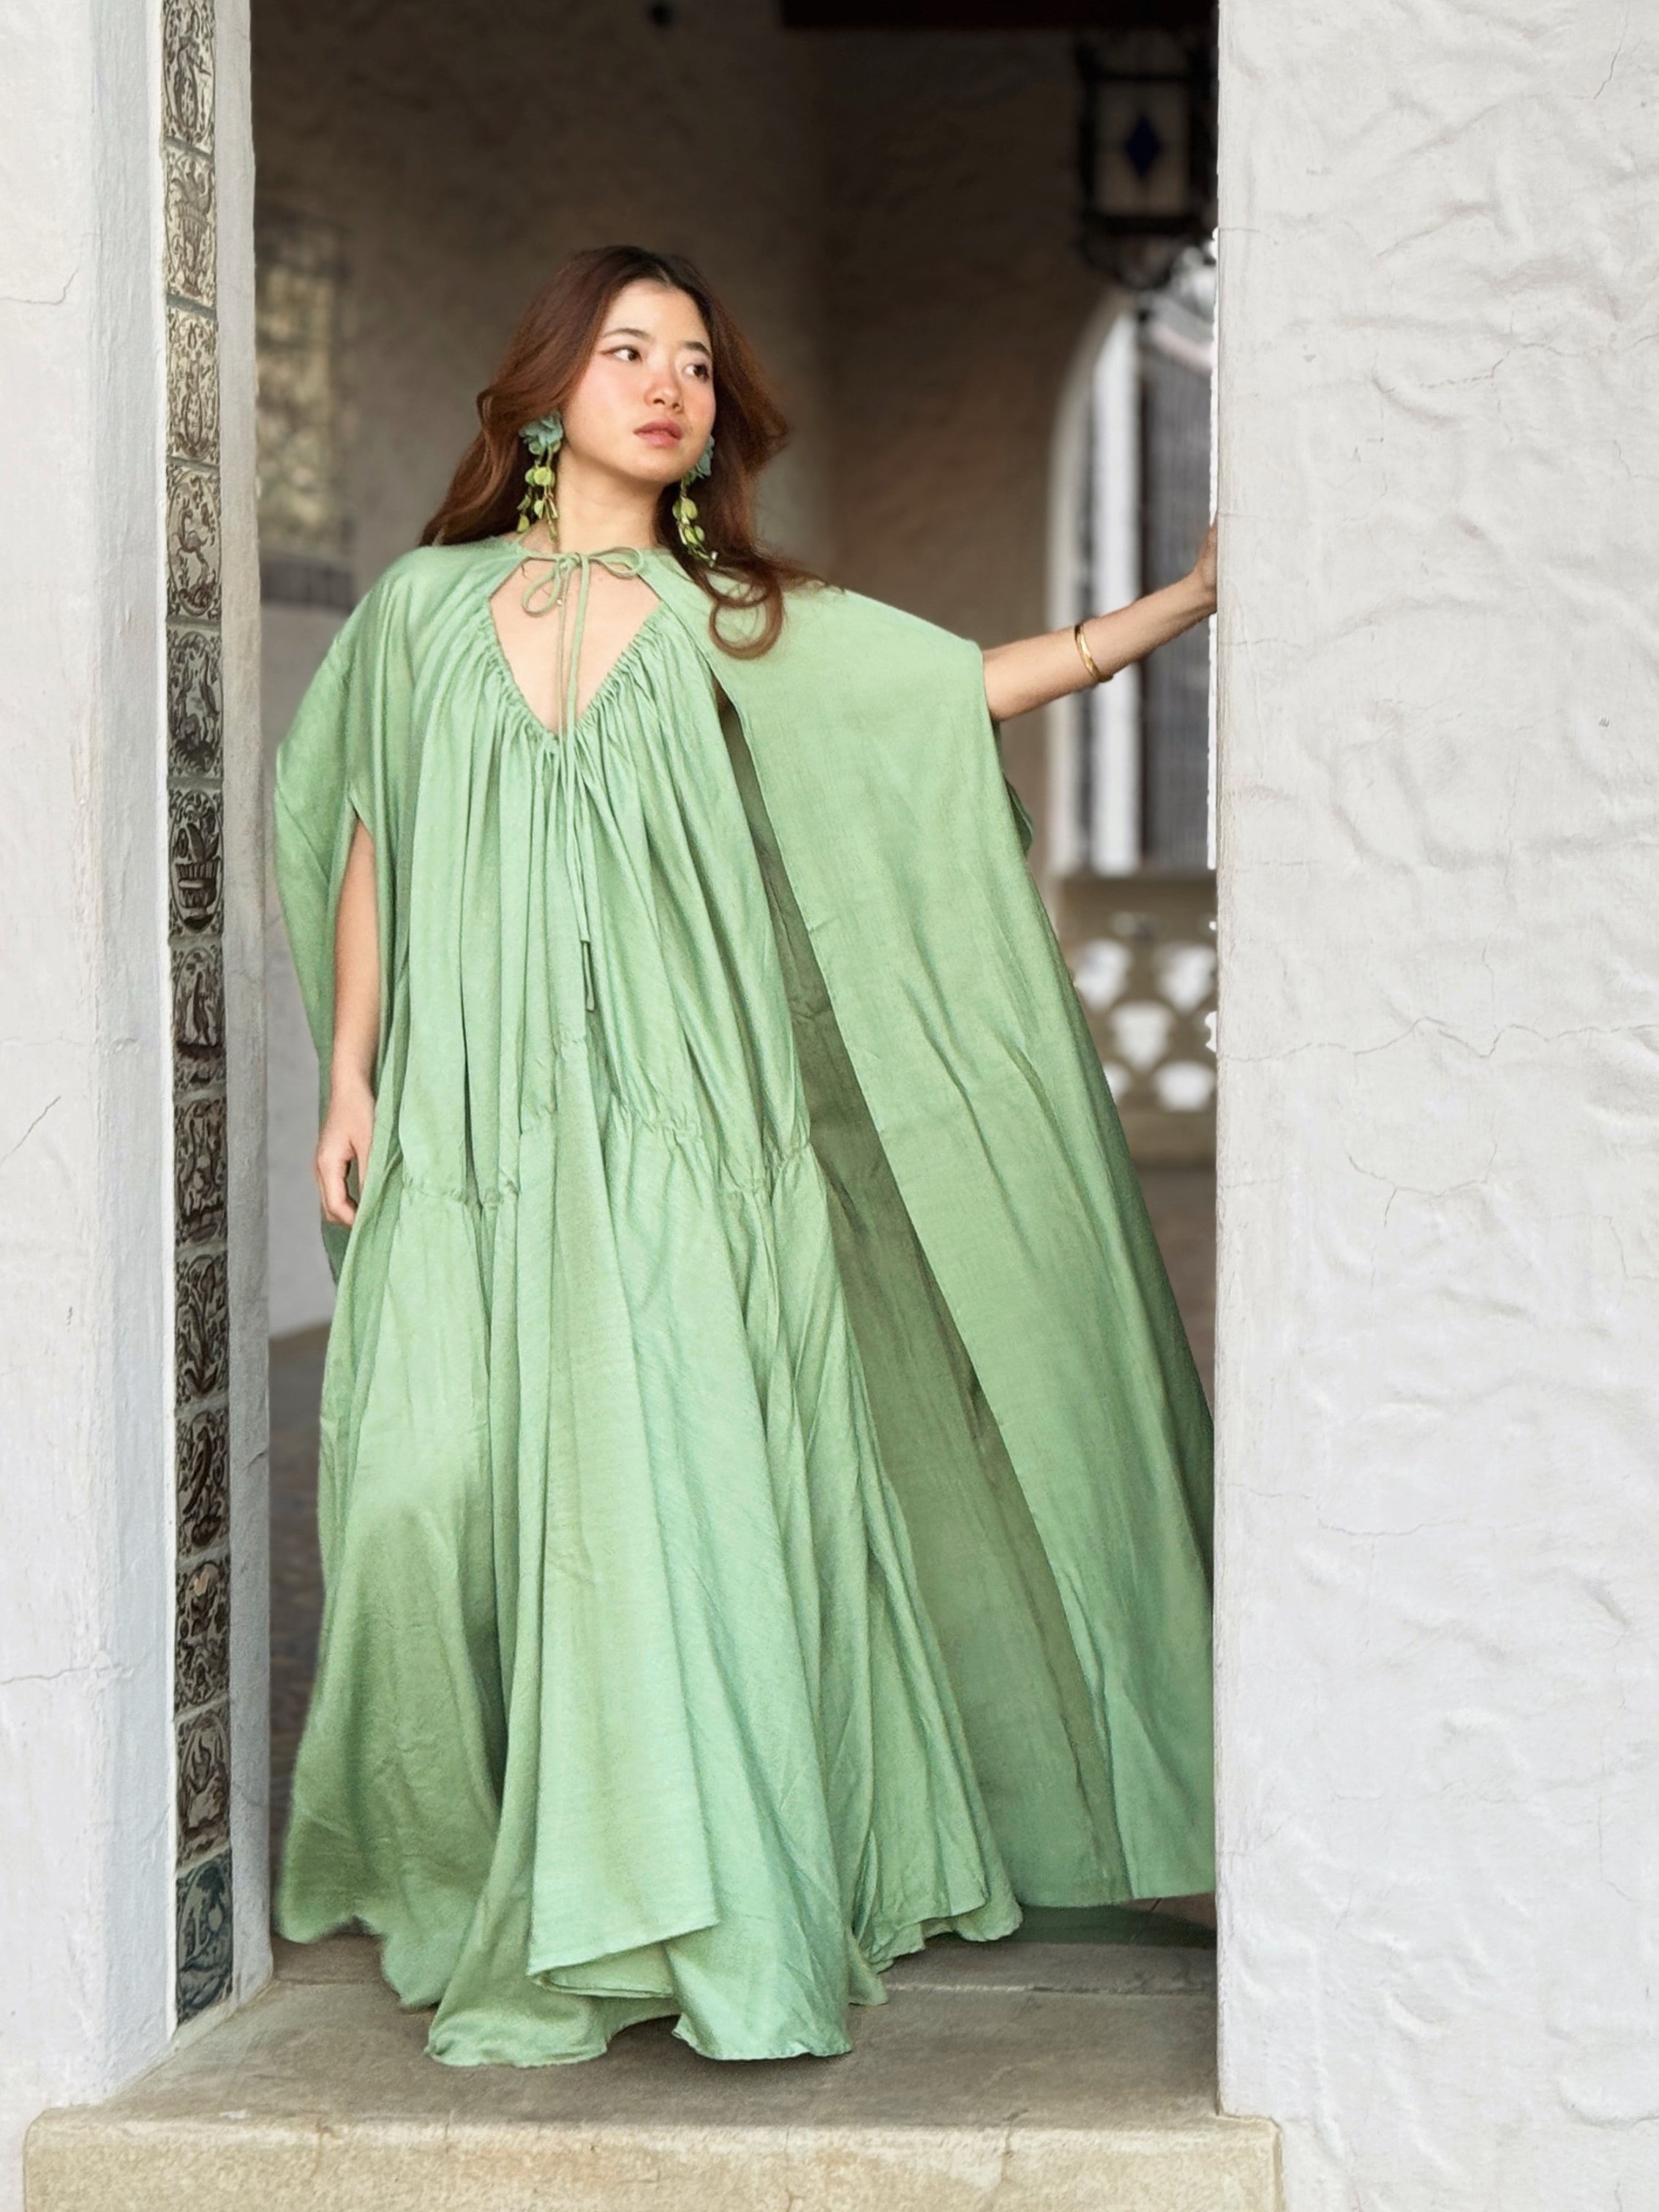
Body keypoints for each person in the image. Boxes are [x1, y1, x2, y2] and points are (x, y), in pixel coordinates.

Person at [273, 243, 1219, 2069]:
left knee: (678, 1494)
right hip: (473, 1128)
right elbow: (373, 829)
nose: (667, 385)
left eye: (695, 364)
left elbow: (956, 695)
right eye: (629, 351)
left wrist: (1175, 605)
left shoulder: (738, 617)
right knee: (426, 1494)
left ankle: (704, 1902)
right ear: (544, 392)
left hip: (691, 1129)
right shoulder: (419, 610)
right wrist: (351, 1074)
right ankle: (500, 1860)